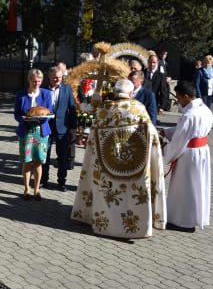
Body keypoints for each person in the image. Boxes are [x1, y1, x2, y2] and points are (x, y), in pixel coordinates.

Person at [71, 79, 167, 239]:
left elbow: (92, 139)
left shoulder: (104, 110)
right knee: (133, 195)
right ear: (130, 93)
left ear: (115, 93)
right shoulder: (139, 109)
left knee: (109, 194)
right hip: (136, 165)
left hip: (107, 165)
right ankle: (138, 228)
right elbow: (151, 133)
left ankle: (105, 226)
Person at [162, 81, 213, 232]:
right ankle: (193, 217)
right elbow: (188, 132)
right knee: (197, 186)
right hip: (202, 151)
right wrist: (166, 130)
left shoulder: (190, 115)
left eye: (178, 98)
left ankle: (182, 221)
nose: (177, 101)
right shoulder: (205, 109)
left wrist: (165, 155)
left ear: (186, 97)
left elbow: (180, 140)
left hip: (189, 155)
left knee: (184, 188)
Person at [14, 69, 53, 200]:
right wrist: (24, 119)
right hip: (26, 132)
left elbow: (49, 113)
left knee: (38, 161)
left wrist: (41, 118)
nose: (36, 83)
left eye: (39, 81)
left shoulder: (47, 94)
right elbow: (16, 114)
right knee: (27, 161)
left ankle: (37, 189)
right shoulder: (21, 95)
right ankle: (26, 189)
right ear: (29, 80)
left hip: (41, 132)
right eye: (34, 81)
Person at [41, 66, 76, 192]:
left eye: (60, 78)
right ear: (49, 77)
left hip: (62, 128)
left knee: (62, 157)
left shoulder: (67, 89)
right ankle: (43, 180)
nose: (57, 80)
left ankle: (62, 182)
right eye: (55, 77)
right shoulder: (43, 89)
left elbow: (72, 108)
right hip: (46, 126)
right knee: (45, 155)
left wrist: (73, 126)